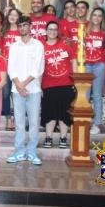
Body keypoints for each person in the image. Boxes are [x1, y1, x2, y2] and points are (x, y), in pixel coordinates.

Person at [6, 16, 44, 165]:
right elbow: (11, 68)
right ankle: (19, 152)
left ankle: (32, 152)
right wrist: (19, 85)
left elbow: (38, 68)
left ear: (30, 27)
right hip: (17, 90)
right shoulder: (14, 46)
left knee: (34, 122)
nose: (22, 28)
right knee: (20, 123)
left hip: (33, 90)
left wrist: (24, 84)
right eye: (20, 26)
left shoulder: (38, 45)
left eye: (25, 25)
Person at [41, 21, 77, 149]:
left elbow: (73, 61)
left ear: (58, 31)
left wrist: (76, 79)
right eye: (50, 29)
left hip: (66, 84)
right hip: (48, 85)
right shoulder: (41, 47)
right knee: (50, 113)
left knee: (64, 113)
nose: (52, 31)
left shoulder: (65, 45)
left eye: (55, 29)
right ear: (46, 31)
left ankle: (63, 137)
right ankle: (49, 137)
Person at [0, 8, 22, 131]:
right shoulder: (4, 32)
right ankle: (8, 118)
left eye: (15, 15)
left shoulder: (21, 31)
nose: (13, 17)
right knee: (6, 93)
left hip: (19, 68)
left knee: (17, 93)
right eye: (11, 14)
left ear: (19, 17)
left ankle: (18, 118)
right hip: (6, 67)